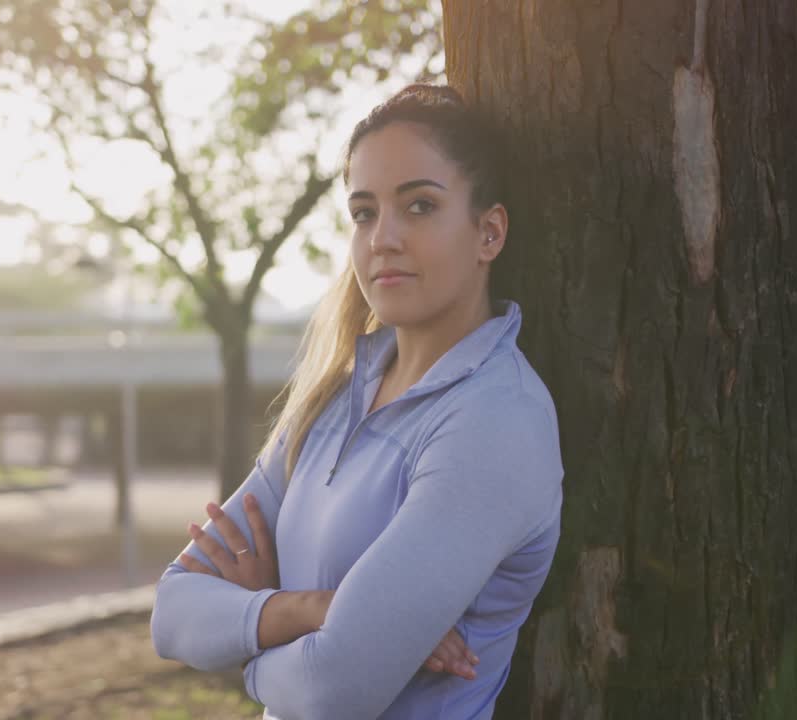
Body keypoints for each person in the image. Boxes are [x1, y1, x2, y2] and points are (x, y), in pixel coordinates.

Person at [149, 83, 564, 720]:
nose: (382, 239)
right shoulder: (334, 397)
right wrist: (305, 610)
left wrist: (245, 642)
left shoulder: (496, 420)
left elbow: (332, 689)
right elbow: (173, 613)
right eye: (364, 212)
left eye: (420, 206)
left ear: (489, 232)